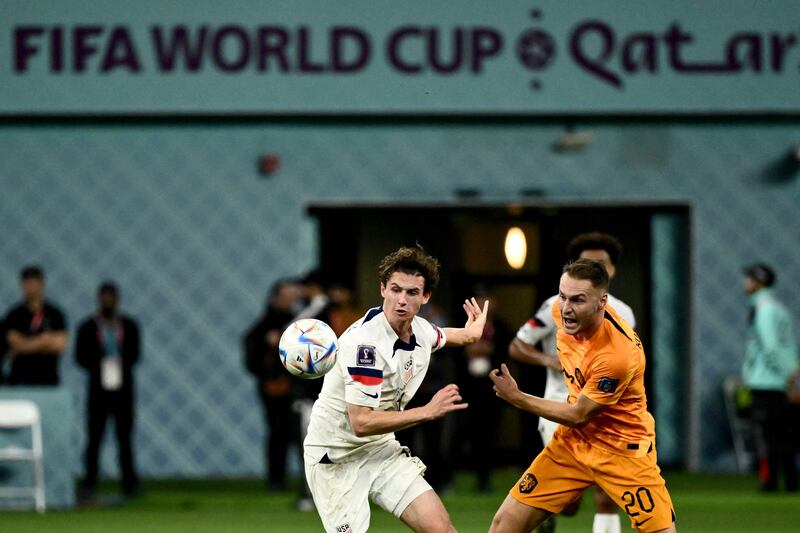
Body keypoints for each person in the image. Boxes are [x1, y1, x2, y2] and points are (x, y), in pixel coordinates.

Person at [303, 245, 488, 533]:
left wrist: (472, 333)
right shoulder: (365, 346)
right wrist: (426, 412)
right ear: (383, 289)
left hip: (379, 449)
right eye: (395, 289)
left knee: (442, 529)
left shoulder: (421, 330)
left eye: (411, 293)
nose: (401, 300)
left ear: (425, 297)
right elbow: (362, 422)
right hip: (336, 457)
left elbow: (447, 336)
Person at [489, 259, 677, 533]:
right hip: (572, 444)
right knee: (503, 525)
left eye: (577, 300)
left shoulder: (617, 355)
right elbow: (522, 343)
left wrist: (517, 397)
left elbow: (579, 415)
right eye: (563, 296)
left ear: (602, 302)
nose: (566, 308)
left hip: (622, 450)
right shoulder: (558, 312)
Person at [509, 232, 634, 533]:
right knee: (570, 501)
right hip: (558, 405)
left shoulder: (624, 313)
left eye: (600, 263)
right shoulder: (555, 305)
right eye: (586, 262)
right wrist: (549, 361)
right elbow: (518, 345)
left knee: (607, 490)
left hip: (602, 408)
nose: (592, 267)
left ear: (612, 270)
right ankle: (546, 513)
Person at [75, 282, 141, 500]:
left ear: (118, 299)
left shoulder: (129, 326)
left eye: (111, 297)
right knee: (94, 439)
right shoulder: (87, 327)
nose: (108, 301)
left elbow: (135, 355)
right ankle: (89, 482)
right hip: (98, 390)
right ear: (98, 299)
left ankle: (129, 484)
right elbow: (80, 357)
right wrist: (100, 362)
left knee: (125, 439)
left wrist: (118, 362)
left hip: (123, 391)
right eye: (104, 297)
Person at [741, 263, 798, 492]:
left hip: (767, 381)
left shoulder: (764, 309)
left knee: (770, 435)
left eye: (749, 279)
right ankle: (790, 480)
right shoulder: (774, 306)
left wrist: (788, 378)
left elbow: (771, 347)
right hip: (776, 380)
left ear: (758, 281)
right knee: (783, 433)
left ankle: (772, 480)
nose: (745, 283)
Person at [244, 278, 300, 491]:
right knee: (278, 431)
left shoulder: (299, 321)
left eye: (292, 297)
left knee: (302, 433)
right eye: (285, 296)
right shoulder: (262, 327)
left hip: (298, 386)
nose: (289, 300)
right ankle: (276, 479)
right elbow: (251, 358)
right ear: (275, 297)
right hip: (273, 387)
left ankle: (308, 480)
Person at [4, 265, 68, 385]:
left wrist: (26, 343)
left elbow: (60, 344)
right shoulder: (14, 315)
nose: (31, 287)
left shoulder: (55, 314)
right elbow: (14, 344)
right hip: (20, 380)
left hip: (48, 379)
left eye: (34, 283)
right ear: (22, 286)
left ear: (42, 284)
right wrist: (44, 340)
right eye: (27, 283)